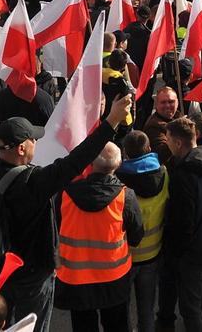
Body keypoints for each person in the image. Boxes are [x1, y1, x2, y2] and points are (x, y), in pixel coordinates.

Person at [0, 95, 133, 331]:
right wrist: (111, 122)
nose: (37, 142)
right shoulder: (33, 182)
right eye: (34, 139)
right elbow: (76, 161)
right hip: (32, 275)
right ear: (22, 147)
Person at [54, 142, 144, 332]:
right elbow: (136, 236)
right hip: (114, 278)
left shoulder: (65, 194)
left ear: (91, 163)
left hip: (75, 279)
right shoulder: (125, 196)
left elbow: (56, 227)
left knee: (83, 326)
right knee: (117, 325)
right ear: (118, 165)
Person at [159, 116, 202, 332]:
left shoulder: (182, 176)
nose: (167, 144)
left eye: (168, 140)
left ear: (178, 143)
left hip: (195, 252)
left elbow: (183, 223)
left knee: (190, 308)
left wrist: (177, 253)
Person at [117, 130, 169, 332]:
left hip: (125, 256)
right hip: (153, 253)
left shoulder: (118, 180)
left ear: (126, 153)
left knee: (122, 309)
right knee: (146, 310)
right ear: (149, 149)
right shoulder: (164, 173)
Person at [142, 86, 179, 164]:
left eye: (171, 102)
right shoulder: (153, 126)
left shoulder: (178, 116)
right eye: (163, 102)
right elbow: (162, 154)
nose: (168, 106)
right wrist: (180, 131)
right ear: (156, 105)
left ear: (177, 103)